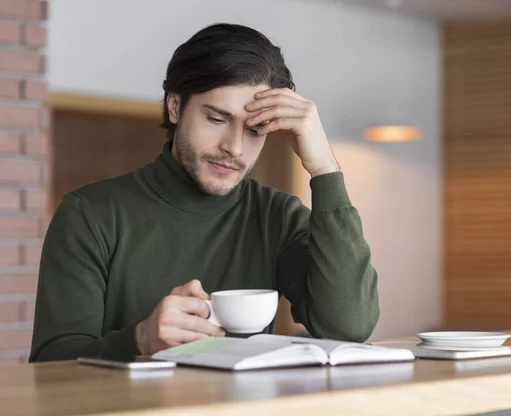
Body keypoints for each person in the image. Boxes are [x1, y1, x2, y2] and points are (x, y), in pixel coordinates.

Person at [29, 23, 379, 362]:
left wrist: (324, 169)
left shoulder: (279, 216)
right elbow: (49, 365)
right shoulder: (90, 213)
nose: (235, 148)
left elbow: (348, 327)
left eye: (256, 129)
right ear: (176, 106)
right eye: (217, 119)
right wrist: (140, 340)